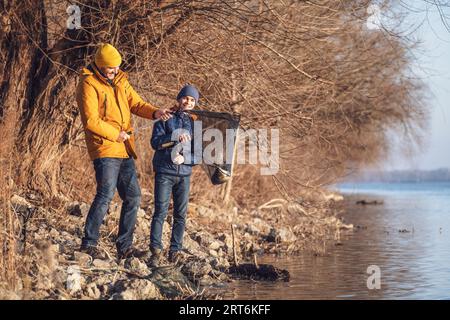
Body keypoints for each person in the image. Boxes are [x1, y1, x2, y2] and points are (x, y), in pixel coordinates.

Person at [76, 43, 172, 260]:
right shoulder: (88, 84)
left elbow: (137, 104)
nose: (115, 71)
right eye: (111, 69)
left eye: (117, 67)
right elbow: (91, 120)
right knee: (105, 194)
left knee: (133, 196)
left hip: (124, 147)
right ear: (100, 66)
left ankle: (124, 247)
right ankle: (88, 244)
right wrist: (114, 134)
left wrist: (156, 112)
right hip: (105, 146)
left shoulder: (121, 81)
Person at [148, 84, 200, 267]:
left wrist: (185, 158)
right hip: (164, 172)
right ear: (179, 99)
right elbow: (155, 143)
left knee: (181, 214)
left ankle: (175, 251)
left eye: (193, 100)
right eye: (186, 98)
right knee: (160, 212)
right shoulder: (165, 118)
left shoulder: (195, 124)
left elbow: (199, 153)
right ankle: (155, 250)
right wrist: (173, 138)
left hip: (184, 174)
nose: (188, 102)